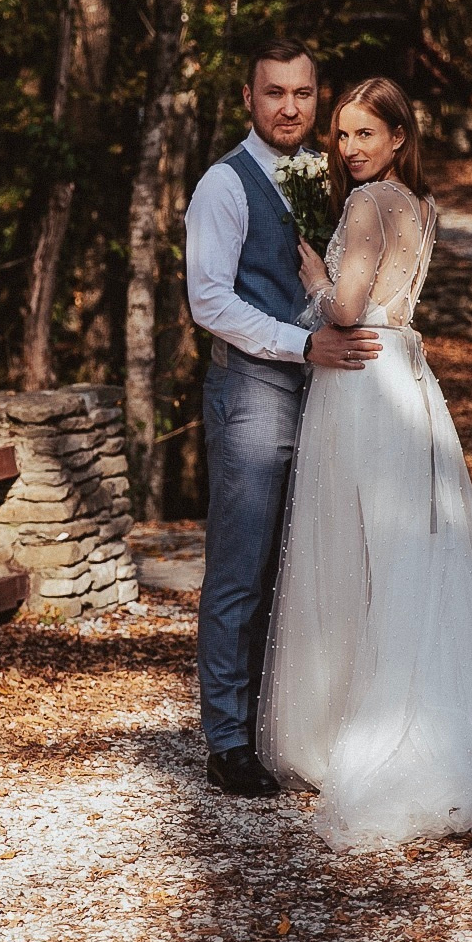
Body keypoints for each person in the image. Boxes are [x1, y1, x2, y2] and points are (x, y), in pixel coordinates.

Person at [258, 76, 472, 850]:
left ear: (399, 137)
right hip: (408, 381)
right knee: (408, 555)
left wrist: (315, 282)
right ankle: (427, 720)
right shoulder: (422, 205)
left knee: (354, 547)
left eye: (365, 134)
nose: (349, 148)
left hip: (362, 384)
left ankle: (363, 729)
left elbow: (347, 309)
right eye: (342, 135)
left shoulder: (367, 204)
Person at [184, 39, 381, 798]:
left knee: (304, 565)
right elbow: (209, 301)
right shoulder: (223, 185)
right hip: (253, 393)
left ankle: (285, 726)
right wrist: (302, 344)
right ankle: (228, 741)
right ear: (248, 98)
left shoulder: (331, 175)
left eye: (303, 93)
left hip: (325, 394)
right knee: (241, 568)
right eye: (275, 93)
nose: (290, 107)